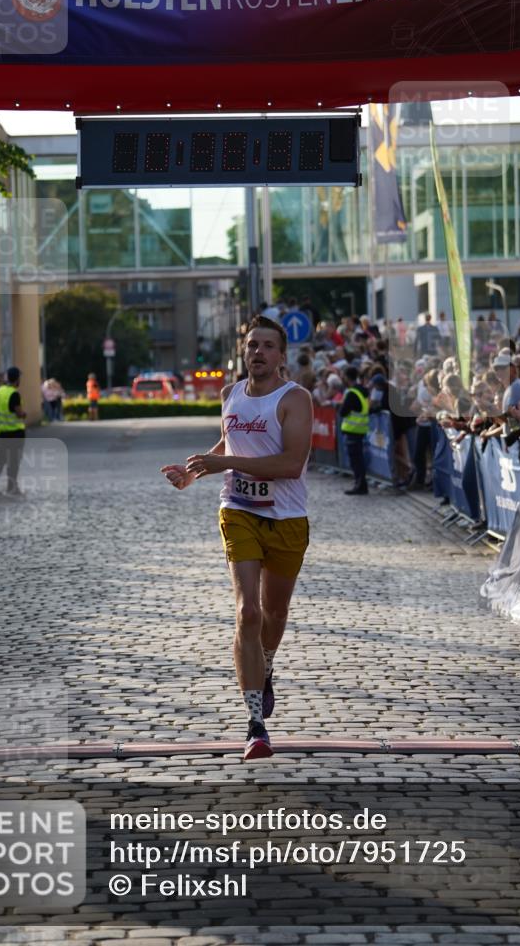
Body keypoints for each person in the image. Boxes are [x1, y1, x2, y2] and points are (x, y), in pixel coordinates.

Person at [161, 316, 313, 762]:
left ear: (282, 356)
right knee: (247, 611)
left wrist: (223, 463)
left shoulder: (295, 399)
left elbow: (290, 464)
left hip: (287, 517)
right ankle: (255, 725)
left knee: (274, 611)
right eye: (252, 346)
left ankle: (265, 664)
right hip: (239, 510)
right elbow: (227, 444)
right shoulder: (231, 395)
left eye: (268, 346)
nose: (258, 353)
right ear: (243, 353)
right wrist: (193, 472)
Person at [0, 366, 27, 496]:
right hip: (15, 432)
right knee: (14, 461)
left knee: (1, 459)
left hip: (2, 432)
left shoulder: (0, 390)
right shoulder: (14, 393)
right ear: (17, 379)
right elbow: (18, 412)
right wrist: (24, 414)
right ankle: (12, 487)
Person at [339, 366, 370, 495]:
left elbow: (343, 412)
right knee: (359, 459)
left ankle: (360, 485)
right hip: (361, 429)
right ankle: (361, 483)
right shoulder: (363, 390)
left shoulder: (351, 393)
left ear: (346, 377)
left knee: (356, 460)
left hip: (353, 430)